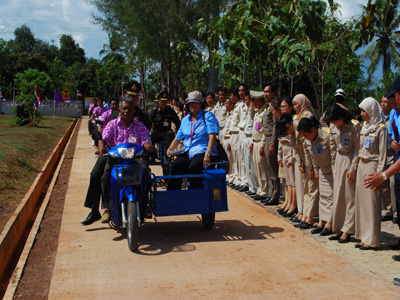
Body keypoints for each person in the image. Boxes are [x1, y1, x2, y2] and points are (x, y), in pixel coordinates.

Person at [166, 91, 219, 190]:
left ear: (201, 104)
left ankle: (193, 193)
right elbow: (178, 138)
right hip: (188, 151)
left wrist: (208, 153)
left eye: (196, 102)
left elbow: (212, 136)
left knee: (194, 167)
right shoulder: (186, 119)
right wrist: (170, 149)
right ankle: (173, 195)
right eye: (190, 103)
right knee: (176, 165)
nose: (193, 105)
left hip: (203, 150)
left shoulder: (207, 116)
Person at [353, 97, 387, 250]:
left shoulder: (380, 128)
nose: (361, 114)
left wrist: (380, 174)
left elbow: (383, 154)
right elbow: (359, 149)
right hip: (362, 165)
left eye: (364, 111)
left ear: (371, 110)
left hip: (373, 167)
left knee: (372, 204)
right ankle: (363, 236)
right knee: (362, 203)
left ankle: (372, 239)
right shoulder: (364, 127)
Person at [326, 104, 360, 243]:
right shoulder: (333, 127)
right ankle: (339, 226)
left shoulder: (354, 126)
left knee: (349, 197)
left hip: (350, 159)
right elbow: (333, 148)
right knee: (338, 196)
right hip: (339, 161)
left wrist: (353, 169)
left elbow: (358, 149)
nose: (334, 124)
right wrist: (334, 166)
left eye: (335, 121)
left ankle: (348, 229)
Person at [297, 116, 333, 236]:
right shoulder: (309, 139)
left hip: (332, 171)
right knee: (323, 197)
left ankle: (330, 223)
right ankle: (322, 222)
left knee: (331, 198)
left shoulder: (327, 135)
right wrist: (316, 172)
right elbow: (313, 157)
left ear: (313, 129)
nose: (305, 138)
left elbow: (333, 155)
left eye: (306, 135)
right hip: (321, 171)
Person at [292, 94, 319, 229]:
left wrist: (309, 166)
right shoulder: (300, 116)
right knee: (307, 186)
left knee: (312, 186)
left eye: (296, 104)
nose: (294, 107)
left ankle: (310, 217)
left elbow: (307, 145)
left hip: (310, 156)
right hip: (303, 155)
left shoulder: (308, 116)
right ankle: (305, 213)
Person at [261, 83, 280, 205]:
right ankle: (270, 193)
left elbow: (275, 126)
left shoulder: (275, 105)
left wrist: (272, 143)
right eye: (264, 92)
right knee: (268, 168)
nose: (265, 94)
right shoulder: (266, 106)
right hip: (266, 138)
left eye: (268, 92)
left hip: (271, 139)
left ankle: (275, 195)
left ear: (273, 93)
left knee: (273, 169)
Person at [149, 91, 181, 163]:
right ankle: (152, 155)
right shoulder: (154, 111)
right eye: (162, 101)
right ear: (158, 101)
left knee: (170, 134)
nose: (164, 103)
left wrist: (179, 133)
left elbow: (177, 122)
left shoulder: (170, 110)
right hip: (157, 132)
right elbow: (149, 123)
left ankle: (166, 155)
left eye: (165, 101)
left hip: (166, 132)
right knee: (150, 136)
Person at [276, 113, 297, 218]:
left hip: (291, 157)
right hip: (285, 156)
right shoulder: (283, 127)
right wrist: (279, 157)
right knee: (288, 182)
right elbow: (281, 143)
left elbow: (295, 145)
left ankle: (293, 205)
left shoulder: (294, 129)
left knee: (293, 183)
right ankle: (289, 203)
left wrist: (292, 158)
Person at [250, 90, 269, 201]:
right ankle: (260, 189)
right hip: (255, 142)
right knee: (257, 167)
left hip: (261, 142)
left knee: (262, 168)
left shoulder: (265, 112)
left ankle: (265, 191)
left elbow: (265, 131)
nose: (252, 102)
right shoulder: (258, 112)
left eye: (254, 100)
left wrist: (262, 145)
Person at [381, 95, 397, 222]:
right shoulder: (379, 120)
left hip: (394, 155)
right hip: (384, 156)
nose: (383, 104)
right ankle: (387, 210)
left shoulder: (393, 117)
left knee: (393, 184)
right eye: (382, 102)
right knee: (385, 184)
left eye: (386, 102)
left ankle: (396, 212)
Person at [243, 92, 259, 197]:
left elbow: (256, 128)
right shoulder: (247, 110)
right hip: (245, 136)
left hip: (252, 138)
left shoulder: (255, 111)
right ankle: (251, 186)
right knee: (247, 164)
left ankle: (256, 188)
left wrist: (253, 141)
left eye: (249, 100)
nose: (247, 102)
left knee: (252, 165)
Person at [221, 98, 235, 184]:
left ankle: (232, 176)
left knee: (231, 160)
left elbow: (231, 130)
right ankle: (228, 175)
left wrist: (229, 141)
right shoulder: (228, 114)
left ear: (231, 105)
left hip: (229, 138)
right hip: (224, 139)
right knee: (227, 159)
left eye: (227, 104)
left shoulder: (233, 114)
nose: (226, 105)